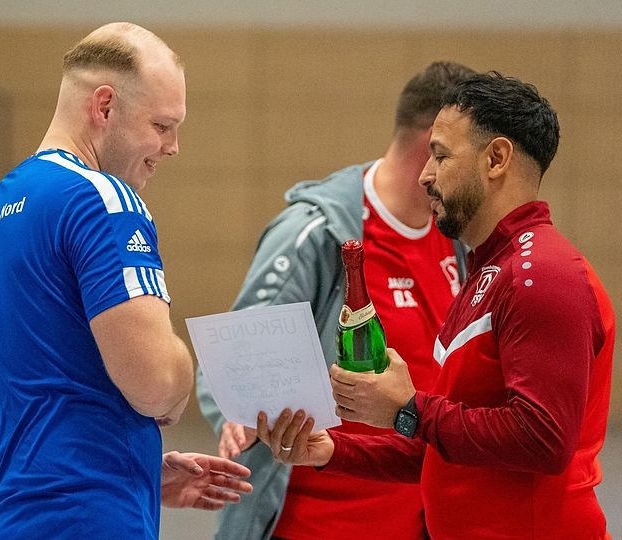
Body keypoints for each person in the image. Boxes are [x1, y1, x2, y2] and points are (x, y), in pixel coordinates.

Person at [257, 72, 616, 540]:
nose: (426, 174)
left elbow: (541, 439)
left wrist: (409, 408)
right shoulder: (488, 270)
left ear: (497, 159)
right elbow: (446, 447)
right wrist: (332, 451)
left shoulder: (543, 275)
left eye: (442, 156)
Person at [0, 23, 251, 539]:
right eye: (162, 125)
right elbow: (155, 383)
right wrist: (182, 373)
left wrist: (134, 469)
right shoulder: (101, 199)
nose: (173, 147)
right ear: (105, 106)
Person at [196, 61, 474, 540]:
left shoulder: (458, 241)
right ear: (436, 144)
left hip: (414, 522)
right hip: (309, 524)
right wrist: (237, 417)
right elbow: (237, 354)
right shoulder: (317, 233)